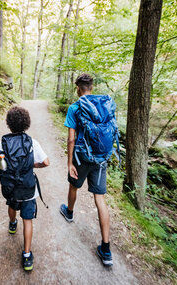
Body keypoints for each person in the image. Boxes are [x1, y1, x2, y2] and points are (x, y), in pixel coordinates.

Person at [59, 73, 117, 266]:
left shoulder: (75, 108)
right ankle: (106, 249)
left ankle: (69, 212)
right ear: (92, 87)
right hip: (101, 158)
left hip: (82, 157)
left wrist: (69, 164)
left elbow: (71, 139)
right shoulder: (104, 104)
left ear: (78, 88)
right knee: (100, 199)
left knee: (73, 185)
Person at [0, 107, 49, 271]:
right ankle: (27, 255)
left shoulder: (2, 143)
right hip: (28, 188)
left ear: (9, 124)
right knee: (28, 220)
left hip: (11, 188)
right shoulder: (32, 142)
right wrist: (32, 165)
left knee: (11, 206)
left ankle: (12, 223)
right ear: (26, 124)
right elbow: (46, 162)